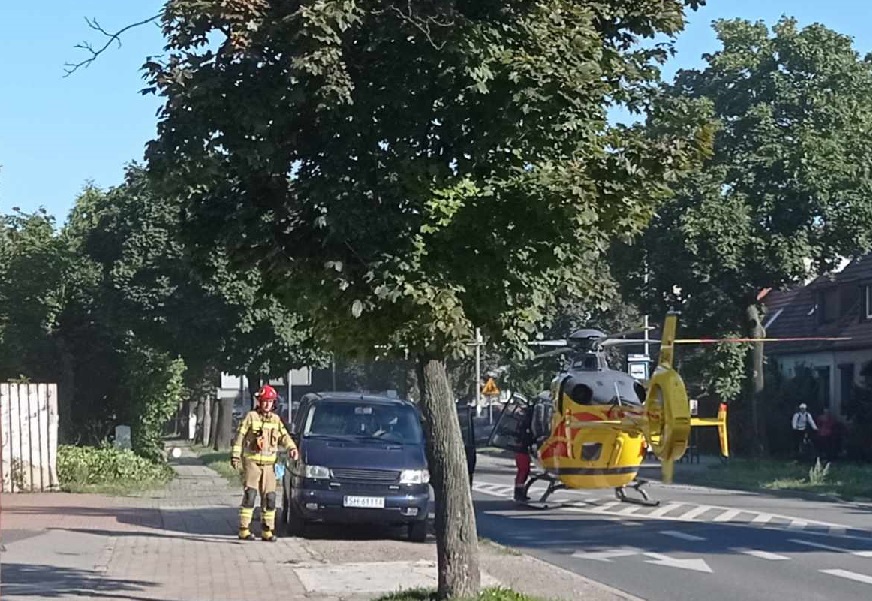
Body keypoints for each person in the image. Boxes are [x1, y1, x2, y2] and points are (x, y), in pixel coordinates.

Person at [231, 384, 299, 541]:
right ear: (259, 402)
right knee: (250, 494)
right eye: (264, 401)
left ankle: (267, 530)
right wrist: (235, 456)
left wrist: (292, 448)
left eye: (270, 401)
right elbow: (240, 436)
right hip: (252, 463)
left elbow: (284, 436)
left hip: (269, 465)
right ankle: (244, 528)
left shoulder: (275, 420)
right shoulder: (251, 417)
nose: (267, 404)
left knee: (270, 497)